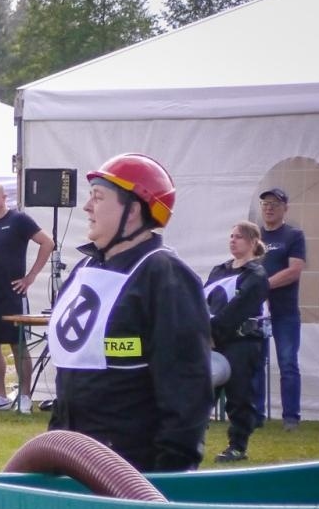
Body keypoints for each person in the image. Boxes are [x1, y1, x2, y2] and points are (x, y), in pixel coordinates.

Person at [47, 154, 210, 472]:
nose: (87, 207)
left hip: (133, 468)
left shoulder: (165, 274)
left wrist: (171, 472)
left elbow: (186, 385)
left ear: (133, 209)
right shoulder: (86, 267)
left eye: (98, 197)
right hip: (70, 453)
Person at [0, 182, 55, 411]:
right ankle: (0, 395)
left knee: (17, 344)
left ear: (4, 197)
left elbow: (47, 243)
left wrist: (30, 277)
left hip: (12, 293)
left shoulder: (19, 220)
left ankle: (24, 396)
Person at [204, 222, 271, 462]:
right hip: (214, 341)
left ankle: (238, 446)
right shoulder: (219, 270)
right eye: (231, 236)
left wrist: (213, 333)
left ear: (253, 242)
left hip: (242, 342)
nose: (233, 240)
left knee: (239, 395)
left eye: (239, 237)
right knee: (202, 393)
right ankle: (194, 439)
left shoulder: (257, 275)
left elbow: (238, 309)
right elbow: (205, 301)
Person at [256, 187, 306, 431]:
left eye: (275, 203)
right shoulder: (255, 236)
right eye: (265, 203)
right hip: (257, 313)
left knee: (287, 363)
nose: (269, 207)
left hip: (285, 312)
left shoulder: (293, 236)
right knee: (256, 363)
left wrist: (263, 285)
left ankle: (291, 418)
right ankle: (254, 416)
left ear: (285, 207)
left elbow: (294, 270)